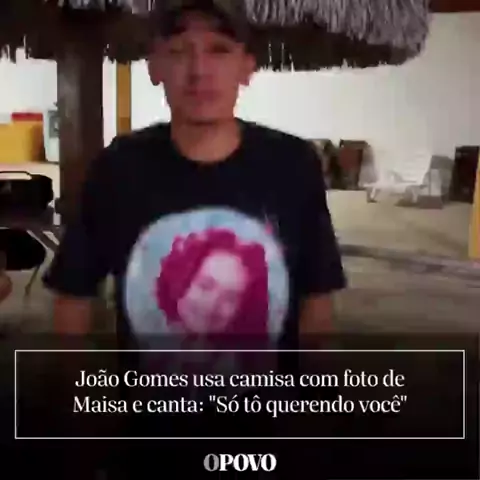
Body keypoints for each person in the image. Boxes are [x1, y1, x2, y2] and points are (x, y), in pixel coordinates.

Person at [43, 0, 346, 474]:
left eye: (220, 50)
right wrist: (85, 413)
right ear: (154, 67)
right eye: (179, 50)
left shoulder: (292, 164)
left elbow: (316, 296)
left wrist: (312, 415)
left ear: (247, 67)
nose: (199, 70)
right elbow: (73, 297)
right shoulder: (120, 167)